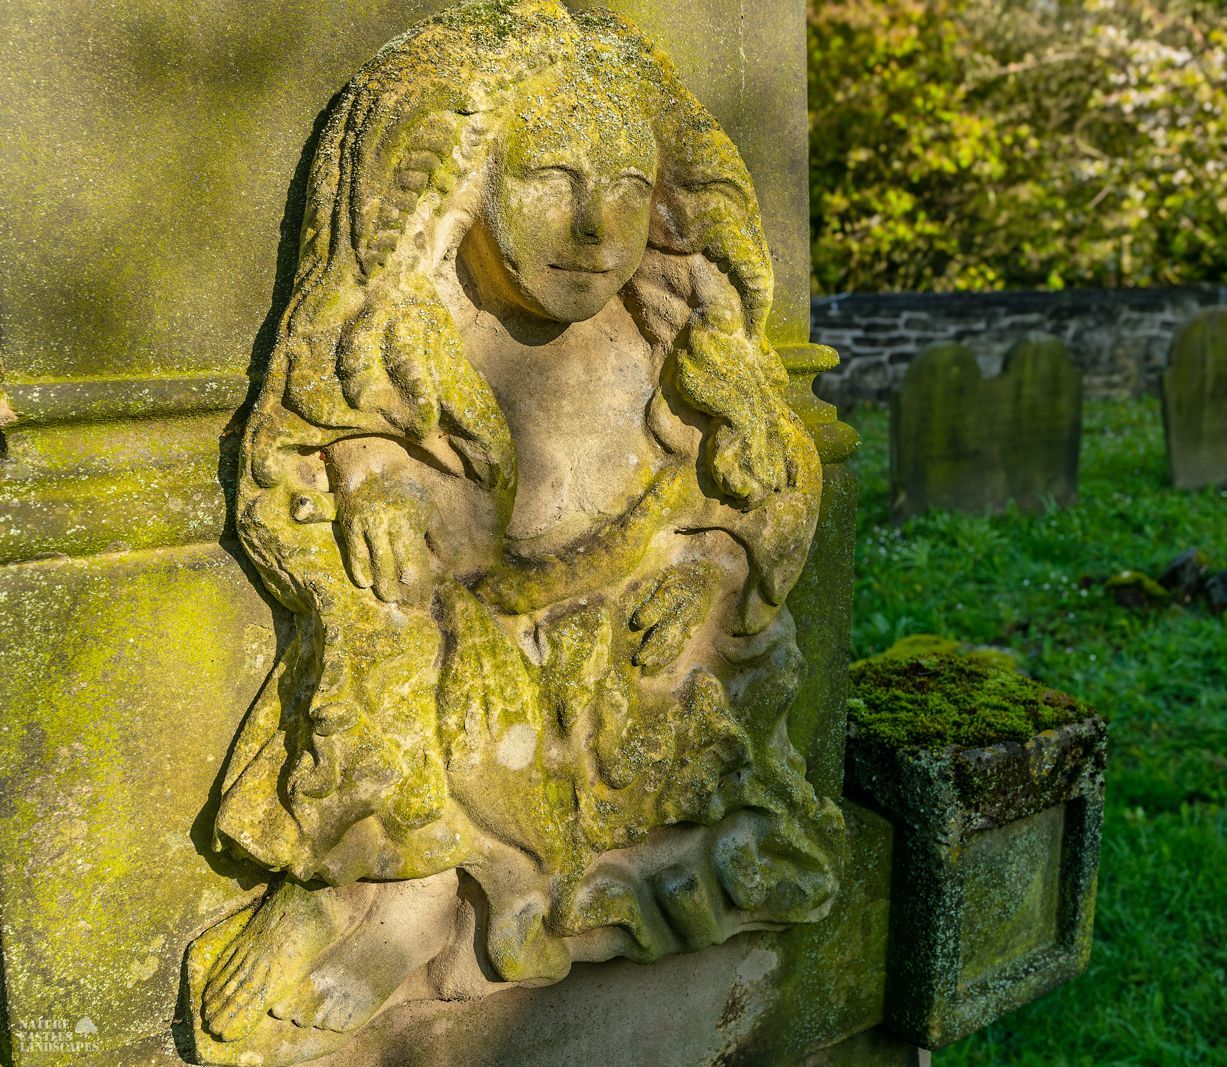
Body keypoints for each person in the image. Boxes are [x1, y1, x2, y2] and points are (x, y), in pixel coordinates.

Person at [191, 3, 842, 1058]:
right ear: (464, 180)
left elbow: (754, 487)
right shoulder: (415, 334)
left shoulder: (672, 334)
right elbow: (329, 435)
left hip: (617, 676)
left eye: (627, 189)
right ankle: (395, 891)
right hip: (474, 653)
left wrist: (709, 569)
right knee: (390, 628)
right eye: (550, 177)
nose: (594, 228)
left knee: (714, 692)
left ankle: (503, 896)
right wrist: (371, 479)